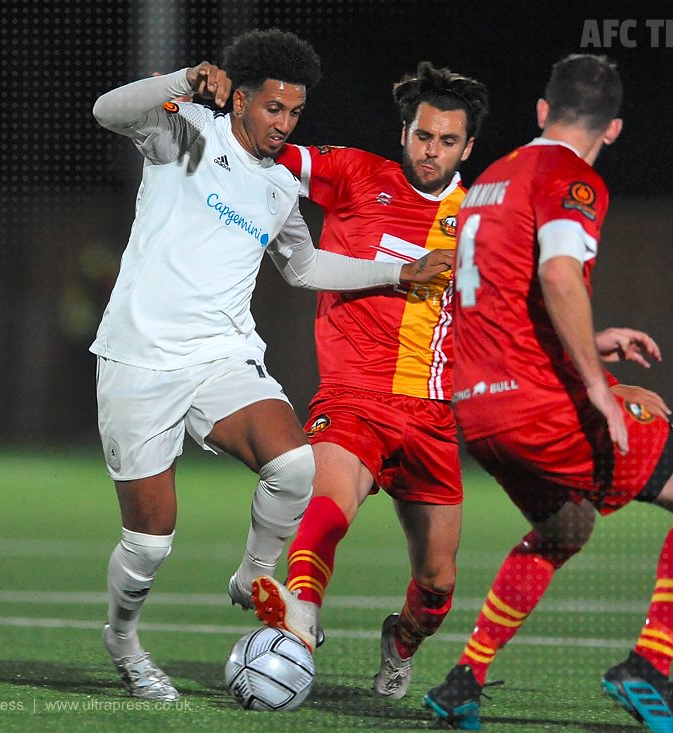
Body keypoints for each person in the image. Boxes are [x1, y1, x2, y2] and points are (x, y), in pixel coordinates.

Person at [90, 29, 453, 702]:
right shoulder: (187, 132)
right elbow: (106, 111)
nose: (285, 126)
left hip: (221, 354)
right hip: (139, 357)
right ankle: (124, 638)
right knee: (148, 543)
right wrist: (180, 81)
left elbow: (303, 265)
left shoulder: (280, 185)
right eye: (273, 110)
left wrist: (399, 271)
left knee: (294, 466)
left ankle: (252, 574)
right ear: (240, 100)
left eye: (295, 114)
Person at [423, 54, 673, 733]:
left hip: (477, 409)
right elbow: (560, 275)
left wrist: (590, 347)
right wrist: (599, 390)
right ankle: (648, 665)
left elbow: (499, 300)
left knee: (565, 525)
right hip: (536, 409)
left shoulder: (491, 179)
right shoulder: (571, 177)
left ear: (542, 111)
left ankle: (464, 679)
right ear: (615, 128)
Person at [248, 62, 489, 699]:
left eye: (445, 141)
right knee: (326, 511)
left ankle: (400, 640)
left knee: (437, 586)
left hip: (432, 417)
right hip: (353, 399)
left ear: (467, 148)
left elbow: (513, 322)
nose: (429, 150)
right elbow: (264, 146)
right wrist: (198, 108)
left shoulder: (482, 221)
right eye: (420, 136)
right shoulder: (356, 174)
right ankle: (298, 625)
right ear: (403, 131)